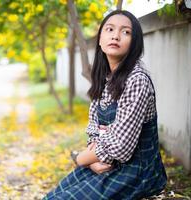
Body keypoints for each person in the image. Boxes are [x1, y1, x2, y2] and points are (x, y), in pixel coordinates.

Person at [43, 10, 167, 200]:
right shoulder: (104, 78)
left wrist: (81, 158)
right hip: (105, 162)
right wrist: (92, 161)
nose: (116, 36)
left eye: (126, 32)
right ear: (100, 39)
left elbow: (121, 147)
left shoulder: (137, 80)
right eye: (110, 29)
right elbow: (94, 128)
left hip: (137, 172)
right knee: (53, 196)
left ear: (134, 44)